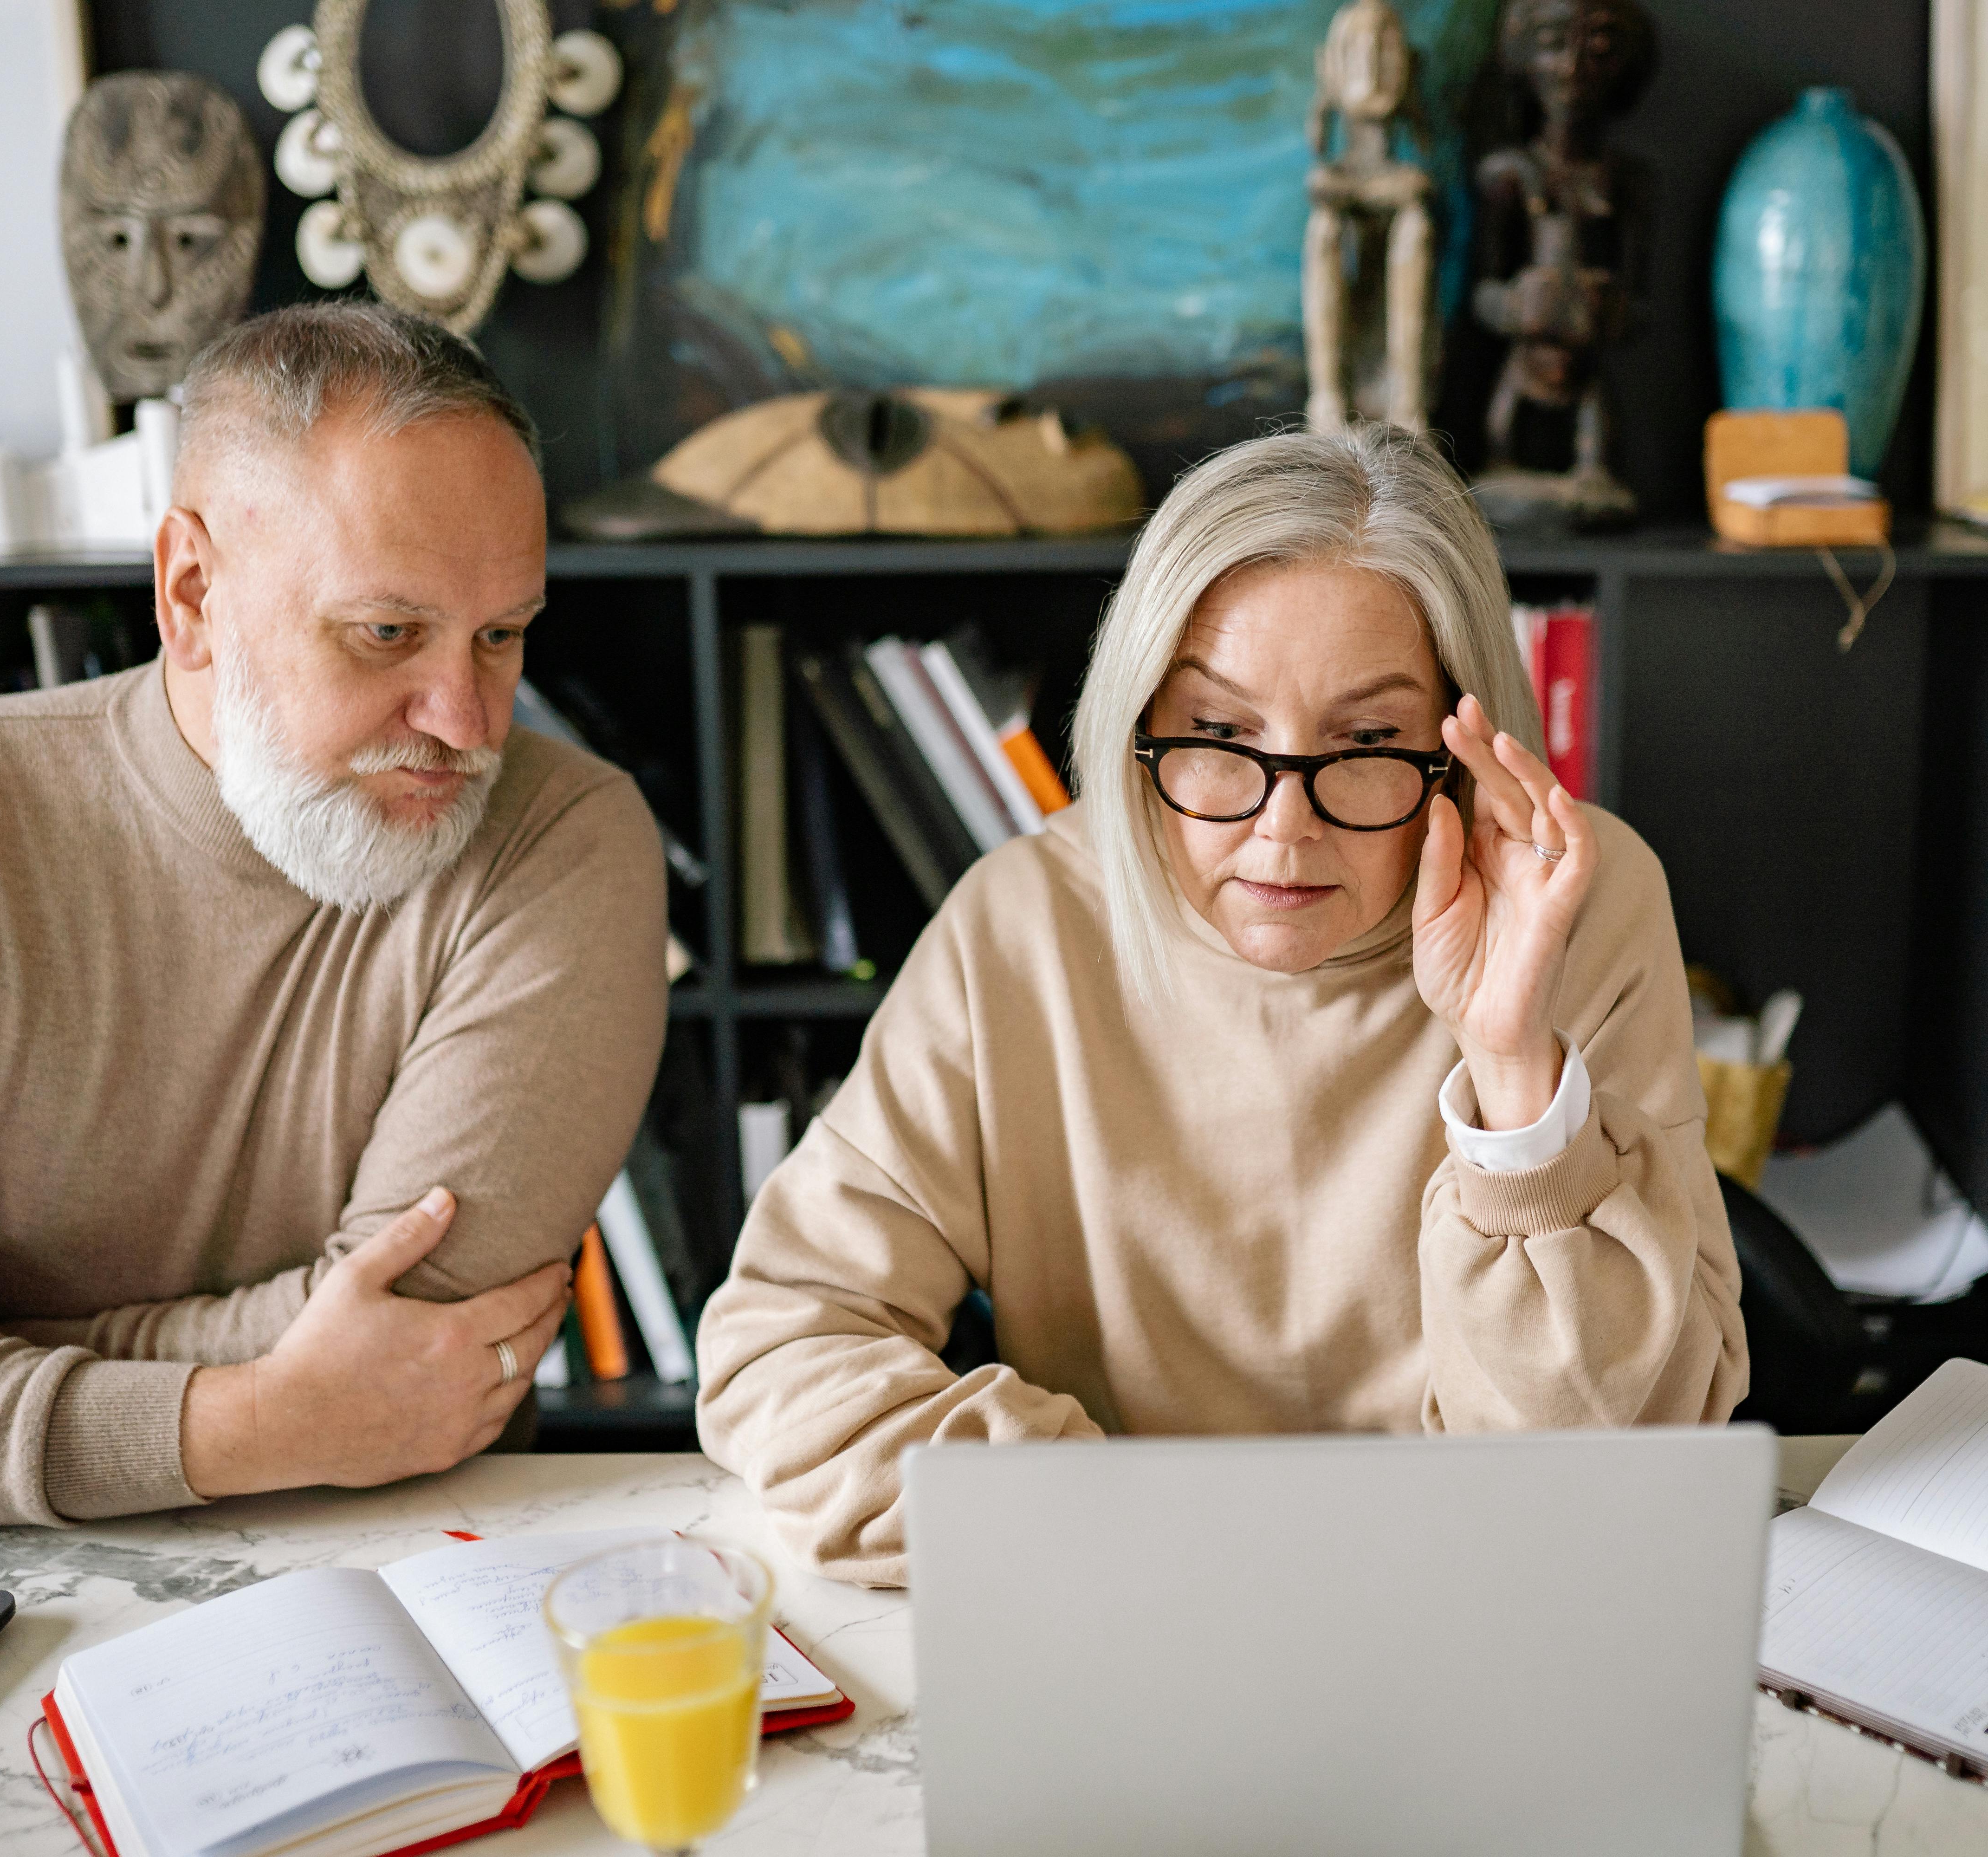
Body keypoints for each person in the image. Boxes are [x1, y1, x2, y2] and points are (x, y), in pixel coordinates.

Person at [697, 424, 1747, 1586]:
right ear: (1135, 719)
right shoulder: (1027, 919)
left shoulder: (1575, 903)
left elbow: (1619, 1466)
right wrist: (1133, 1522)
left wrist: (1512, 1070)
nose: (1280, 829)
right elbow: (780, 1348)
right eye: (1217, 734)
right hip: (1126, 1596)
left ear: (1463, 745)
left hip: (1473, 1600)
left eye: (1367, 741)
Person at [0, 303, 667, 1527]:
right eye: (388, 633)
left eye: (503, 635)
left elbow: (424, 1341)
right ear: (193, 593)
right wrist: (250, 1420)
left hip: (420, 1552)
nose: (469, 724)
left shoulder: (565, 836)